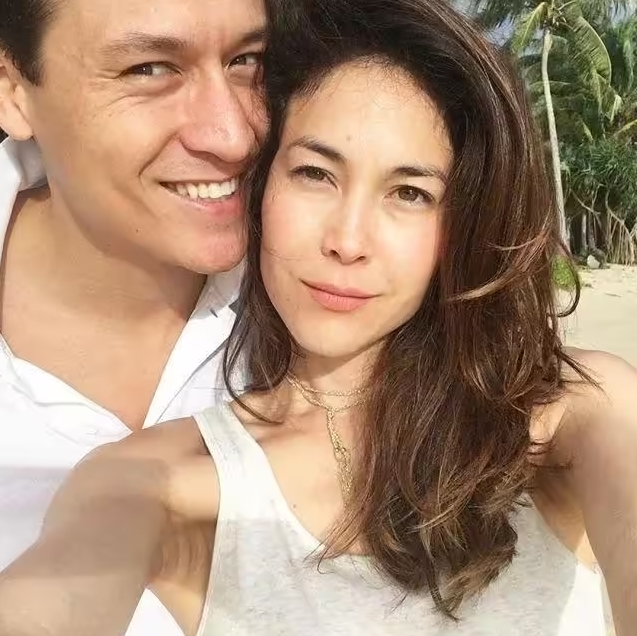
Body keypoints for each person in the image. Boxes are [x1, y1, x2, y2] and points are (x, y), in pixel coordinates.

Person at [1, 0, 637, 634]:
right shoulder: (158, 478)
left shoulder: (569, 418)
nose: (348, 241)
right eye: (315, 173)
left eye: (410, 193)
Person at [0, 0, 266, 633]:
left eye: (246, 60)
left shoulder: (347, 290)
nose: (233, 134)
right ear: (13, 91)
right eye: (149, 69)